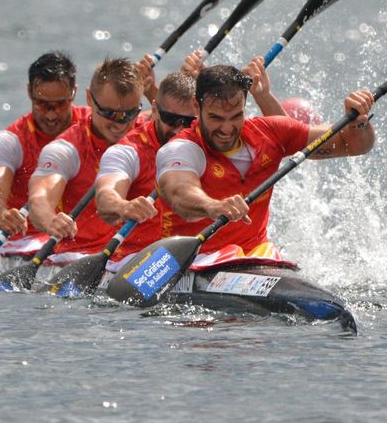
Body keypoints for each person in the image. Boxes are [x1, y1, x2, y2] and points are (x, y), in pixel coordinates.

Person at [155, 64, 375, 270]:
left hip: (257, 257)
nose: (227, 128)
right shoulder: (181, 149)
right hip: (195, 260)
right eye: (216, 118)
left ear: (244, 105)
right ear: (196, 106)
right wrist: (213, 206)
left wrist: (359, 122)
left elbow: (353, 145)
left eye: (236, 116)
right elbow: (179, 192)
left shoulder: (271, 133)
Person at [92, 57, 286, 269]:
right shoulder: (129, 151)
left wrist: (262, 96)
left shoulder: (216, 139)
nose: (179, 129)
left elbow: (283, 139)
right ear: (155, 110)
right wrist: (123, 206)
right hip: (141, 264)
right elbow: (105, 198)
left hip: (203, 257)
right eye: (171, 119)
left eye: (188, 122)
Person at [26, 57, 145, 264]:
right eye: (109, 113)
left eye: (129, 114)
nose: (120, 124)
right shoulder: (66, 149)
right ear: (89, 99)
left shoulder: (147, 133)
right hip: (80, 257)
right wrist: (51, 220)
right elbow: (39, 199)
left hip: (137, 256)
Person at [0, 51, 89, 256]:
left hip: (85, 240)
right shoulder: (10, 142)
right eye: (42, 104)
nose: (51, 114)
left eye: (60, 104)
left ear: (74, 92)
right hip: (28, 241)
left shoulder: (95, 127)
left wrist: (151, 93)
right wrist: (1, 214)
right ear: (29, 91)